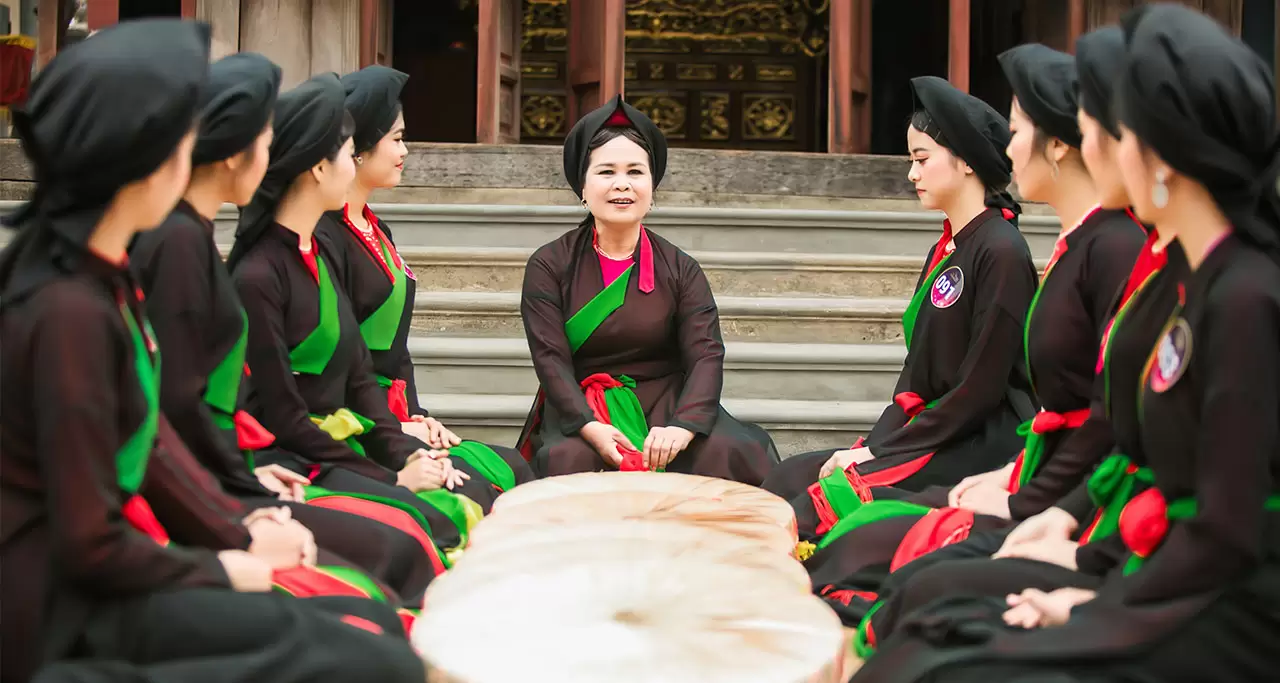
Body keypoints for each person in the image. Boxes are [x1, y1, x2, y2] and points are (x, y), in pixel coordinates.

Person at [853, 6, 1280, 680]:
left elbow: (1226, 531)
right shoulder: (1185, 283)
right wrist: (1072, 531)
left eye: (1113, 125)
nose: (1094, 139)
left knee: (942, 652)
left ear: (1161, 145)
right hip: (1143, 567)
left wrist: (1095, 595)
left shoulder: (1246, 298)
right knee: (934, 626)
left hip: (1220, 608)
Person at [0, 19, 422, 683]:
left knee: (367, 643)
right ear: (147, 149)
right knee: (363, 654)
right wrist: (232, 559)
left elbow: (158, 439)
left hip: (111, 584)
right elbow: (88, 540)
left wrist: (240, 523)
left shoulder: (99, 278)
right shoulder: (67, 309)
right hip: (58, 618)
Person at [129, 52, 443, 601]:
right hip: (228, 481)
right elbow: (179, 407)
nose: (273, 152)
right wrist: (242, 499)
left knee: (424, 529)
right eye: (265, 137)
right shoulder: (188, 245)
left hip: (243, 471)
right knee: (405, 546)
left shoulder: (195, 237)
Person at [228, 72, 498, 560]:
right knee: (433, 526)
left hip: (342, 440)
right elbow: (282, 415)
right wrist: (393, 476)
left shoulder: (317, 256)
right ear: (316, 167)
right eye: (347, 152)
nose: (353, 166)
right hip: (295, 455)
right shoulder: (257, 275)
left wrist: (408, 452)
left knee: (459, 498)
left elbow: (359, 382)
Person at [762, 75, 1038, 538]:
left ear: (967, 162)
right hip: (935, 429)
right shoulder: (947, 248)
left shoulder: (1001, 251)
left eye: (921, 159)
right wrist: (877, 443)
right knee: (788, 477)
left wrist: (885, 451)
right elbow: (916, 377)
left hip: (979, 439)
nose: (912, 174)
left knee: (821, 505)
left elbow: (981, 388)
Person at [515, 95, 779, 484]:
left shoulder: (681, 268)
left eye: (635, 172)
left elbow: (706, 355)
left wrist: (684, 426)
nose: (622, 184)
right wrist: (590, 427)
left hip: (667, 404)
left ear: (652, 187)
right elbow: (551, 361)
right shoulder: (550, 266)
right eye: (606, 172)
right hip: (584, 407)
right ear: (582, 187)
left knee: (728, 450)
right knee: (569, 460)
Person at [316, 65, 534, 494]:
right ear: (358, 148)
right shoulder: (325, 236)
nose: (405, 151)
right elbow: (342, 354)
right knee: (479, 486)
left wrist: (417, 416)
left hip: (392, 412)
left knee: (511, 466)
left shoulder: (378, 230)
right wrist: (391, 426)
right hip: (353, 417)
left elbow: (397, 351)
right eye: (396, 139)